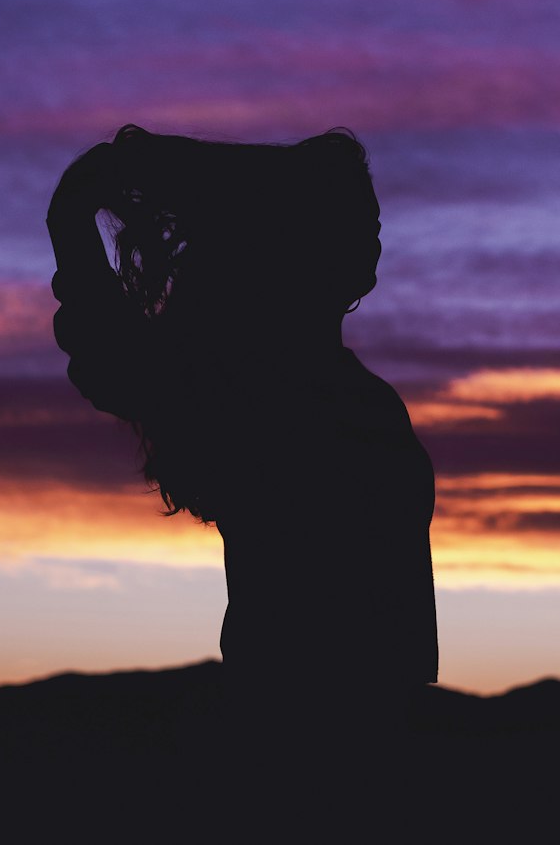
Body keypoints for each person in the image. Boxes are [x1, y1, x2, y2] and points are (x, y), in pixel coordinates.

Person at [46, 125, 437, 799]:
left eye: (374, 214)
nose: (376, 229)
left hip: (367, 739)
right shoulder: (267, 389)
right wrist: (73, 213)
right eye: (356, 214)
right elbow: (108, 351)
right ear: (304, 236)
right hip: (312, 741)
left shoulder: (329, 390)